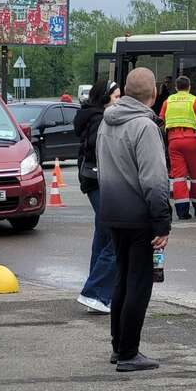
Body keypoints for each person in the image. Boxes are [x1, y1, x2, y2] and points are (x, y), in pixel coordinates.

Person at [97, 67, 170, 372]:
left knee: (123, 281)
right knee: (139, 284)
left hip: (112, 213)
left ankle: (118, 346)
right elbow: (154, 180)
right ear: (153, 95)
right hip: (140, 216)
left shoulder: (106, 121)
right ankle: (129, 352)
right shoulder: (144, 126)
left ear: (126, 90)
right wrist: (162, 221)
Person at [75, 79, 122, 313]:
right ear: (105, 98)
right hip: (99, 181)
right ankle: (94, 292)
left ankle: (97, 294)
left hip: (96, 181)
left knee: (103, 236)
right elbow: (96, 146)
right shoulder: (99, 119)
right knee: (117, 236)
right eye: (116, 97)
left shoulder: (94, 116)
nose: (119, 101)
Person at [159, 76, 196, 219]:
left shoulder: (168, 101)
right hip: (192, 140)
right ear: (189, 86)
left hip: (173, 141)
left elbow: (160, 122)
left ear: (175, 87)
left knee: (179, 177)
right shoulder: (195, 100)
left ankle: (182, 212)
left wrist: (166, 140)